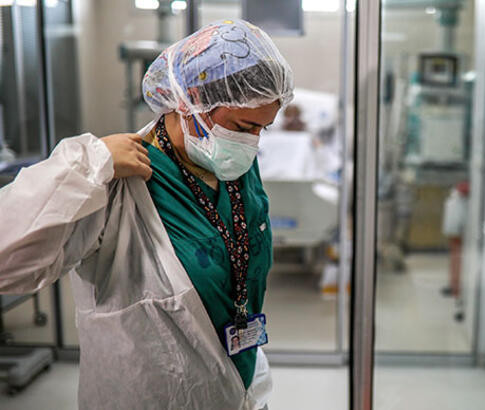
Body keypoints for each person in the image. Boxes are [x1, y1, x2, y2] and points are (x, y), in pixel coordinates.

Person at [0, 19, 293, 410]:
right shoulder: (115, 185)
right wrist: (85, 167)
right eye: (243, 127)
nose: (251, 143)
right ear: (191, 100)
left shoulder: (235, 168)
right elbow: (7, 261)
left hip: (241, 387)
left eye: (263, 129)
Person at [440, 181, 469, 321]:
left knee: (459, 257)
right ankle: (455, 288)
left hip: (462, 221)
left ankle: (458, 291)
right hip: (458, 216)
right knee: (456, 254)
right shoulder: (458, 195)